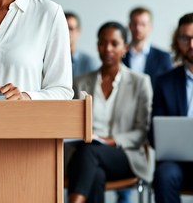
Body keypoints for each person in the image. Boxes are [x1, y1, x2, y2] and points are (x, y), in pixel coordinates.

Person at [66, 21, 153, 203]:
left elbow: (141, 132)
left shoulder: (140, 82)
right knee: (95, 174)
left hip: (124, 155)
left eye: (114, 43)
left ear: (125, 48)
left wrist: (111, 141)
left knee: (90, 153)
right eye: (102, 43)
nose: (107, 49)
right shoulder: (81, 82)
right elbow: (72, 123)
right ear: (97, 45)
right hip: (85, 154)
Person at [150, 13, 193, 203]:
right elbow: (154, 133)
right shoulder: (164, 82)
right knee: (164, 175)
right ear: (178, 41)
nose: (191, 45)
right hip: (177, 162)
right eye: (185, 38)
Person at [123, 7, 172, 87]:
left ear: (150, 27)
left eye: (143, 24)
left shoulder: (163, 57)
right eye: (135, 24)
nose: (138, 28)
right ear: (129, 26)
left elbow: (169, 87)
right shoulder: (120, 55)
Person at [65, 11, 99, 78]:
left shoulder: (90, 62)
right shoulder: (47, 60)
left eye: (70, 29)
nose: (66, 32)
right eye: (63, 28)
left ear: (78, 31)